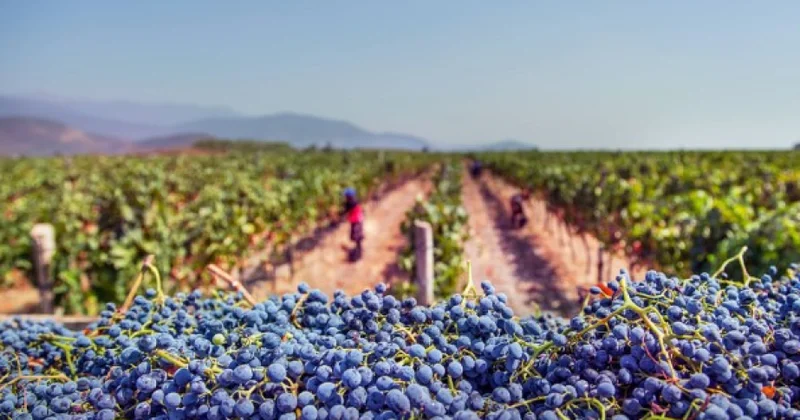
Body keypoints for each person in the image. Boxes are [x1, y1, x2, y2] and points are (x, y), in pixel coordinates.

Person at [342, 187, 365, 261]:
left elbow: (345, 210)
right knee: (357, 235)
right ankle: (359, 248)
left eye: (346, 196)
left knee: (356, 235)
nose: (345, 197)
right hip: (358, 219)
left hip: (356, 220)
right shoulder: (355, 201)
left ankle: (358, 252)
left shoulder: (351, 203)